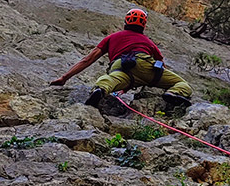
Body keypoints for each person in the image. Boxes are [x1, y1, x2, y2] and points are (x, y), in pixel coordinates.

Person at [50, 7, 192, 109]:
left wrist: (64, 78)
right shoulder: (148, 42)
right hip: (147, 67)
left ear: (125, 22)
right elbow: (161, 64)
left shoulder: (112, 37)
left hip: (121, 67)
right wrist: (158, 80)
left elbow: (88, 60)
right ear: (144, 25)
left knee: (109, 80)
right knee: (182, 84)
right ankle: (173, 93)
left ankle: (100, 89)